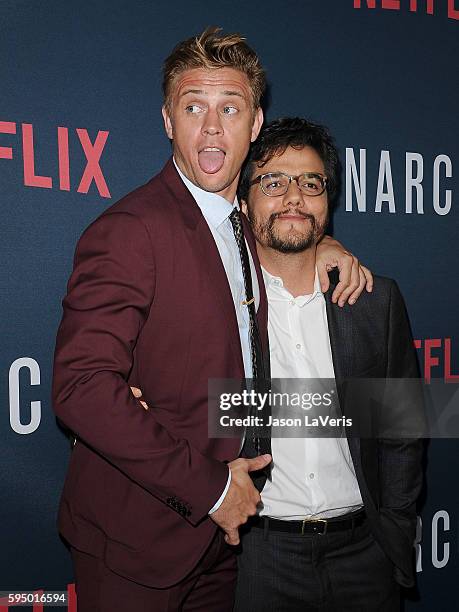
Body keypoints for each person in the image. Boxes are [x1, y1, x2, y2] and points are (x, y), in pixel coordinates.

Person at [52, 29, 372, 611]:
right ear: (168, 121)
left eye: (230, 108)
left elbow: (288, 237)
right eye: (193, 106)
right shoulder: (131, 230)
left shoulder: (243, 229)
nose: (211, 126)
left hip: (224, 550)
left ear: (254, 124)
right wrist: (213, 489)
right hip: (137, 542)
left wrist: (326, 246)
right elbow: (80, 389)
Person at [231, 117, 423, 611]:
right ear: (244, 200)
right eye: (273, 182)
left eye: (310, 183)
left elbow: (402, 428)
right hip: (257, 558)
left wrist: (395, 524)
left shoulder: (373, 302)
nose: (294, 196)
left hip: (365, 554)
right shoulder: (222, 304)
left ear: (327, 202)